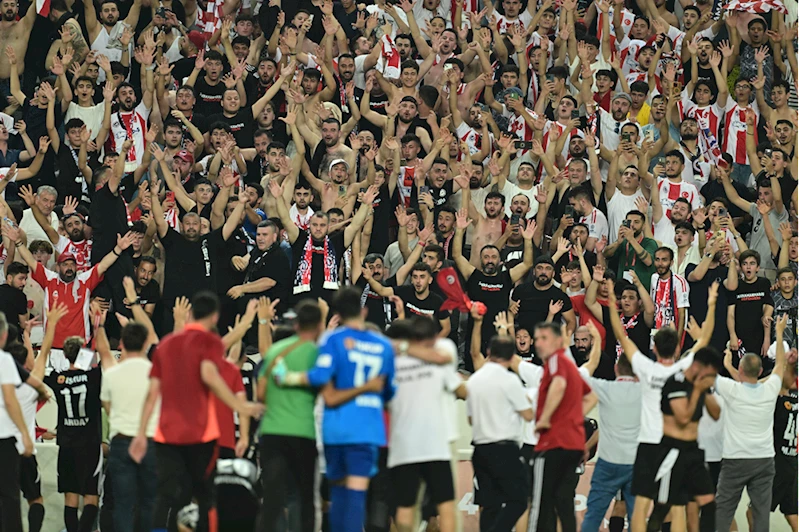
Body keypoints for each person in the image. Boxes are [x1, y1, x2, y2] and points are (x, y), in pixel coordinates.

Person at [128, 291, 264, 532]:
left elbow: (152, 393)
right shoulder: (209, 344)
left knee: (167, 494)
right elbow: (212, 371)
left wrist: (141, 433)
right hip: (200, 435)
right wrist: (240, 406)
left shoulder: (165, 346)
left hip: (167, 435)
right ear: (214, 317)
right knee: (204, 496)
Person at [272, 287, 396, 532]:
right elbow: (389, 392)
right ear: (364, 311)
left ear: (338, 313)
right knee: (356, 494)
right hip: (366, 430)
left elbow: (319, 376)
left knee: (338, 495)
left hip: (335, 430)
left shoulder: (332, 340)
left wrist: (289, 378)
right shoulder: (383, 346)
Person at [386, 317, 464, 532]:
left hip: (404, 446)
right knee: (446, 506)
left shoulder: (393, 365)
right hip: (435, 444)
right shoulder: (438, 362)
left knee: (405, 508)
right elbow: (460, 389)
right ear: (433, 338)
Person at [714, 314, 789, 532]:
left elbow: (706, 371)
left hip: (735, 460)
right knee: (760, 514)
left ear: (739, 370)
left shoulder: (731, 389)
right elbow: (780, 365)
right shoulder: (770, 389)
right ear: (760, 372)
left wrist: (705, 343)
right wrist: (779, 333)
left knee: (723, 512)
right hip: (764, 459)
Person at [256, 299, 325, 532]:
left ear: (296, 324)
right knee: (302, 498)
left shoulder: (275, 351)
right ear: (319, 325)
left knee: (272, 498)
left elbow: (261, 394)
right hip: (303, 433)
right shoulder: (317, 354)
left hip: (272, 432)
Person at [530, 322, 595, 532]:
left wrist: (545, 418)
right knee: (564, 502)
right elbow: (591, 396)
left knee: (541, 503)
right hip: (573, 445)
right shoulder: (569, 365)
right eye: (537, 338)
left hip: (552, 443)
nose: (538, 343)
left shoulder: (555, 361)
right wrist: (572, 419)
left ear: (559, 341)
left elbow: (558, 385)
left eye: (544, 338)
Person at [578, 322, 641, 531]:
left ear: (615, 369)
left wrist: (596, 341)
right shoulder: (645, 392)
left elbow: (585, 373)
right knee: (636, 517)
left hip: (608, 462)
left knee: (594, 514)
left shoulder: (605, 388)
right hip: (635, 462)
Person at [466, 335, 533, 531]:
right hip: (505, 450)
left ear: (489, 352)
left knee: (489, 505)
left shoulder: (474, 380)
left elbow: (470, 419)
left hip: (480, 449)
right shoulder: (510, 380)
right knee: (519, 500)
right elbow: (528, 415)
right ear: (512, 356)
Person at [0, 311, 35, 532]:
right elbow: (10, 399)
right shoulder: (4, 360)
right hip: (4, 437)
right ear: (4, 335)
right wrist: (24, 433)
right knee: (9, 496)